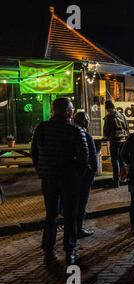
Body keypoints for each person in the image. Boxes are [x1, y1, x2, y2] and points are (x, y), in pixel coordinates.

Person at [31, 97, 88, 266]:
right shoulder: (74, 130)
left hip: (48, 178)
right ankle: (69, 250)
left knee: (51, 215)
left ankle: (48, 251)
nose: (72, 111)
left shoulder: (41, 128)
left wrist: (41, 170)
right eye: (71, 109)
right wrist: (77, 175)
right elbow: (84, 158)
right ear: (67, 111)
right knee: (70, 214)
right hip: (68, 178)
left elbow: (34, 152)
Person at [73, 111, 97, 239]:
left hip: (71, 175)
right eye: (87, 118)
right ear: (83, 121)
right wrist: (92, 172)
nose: (89, 121)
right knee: (81, 203)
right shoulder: (86, 135)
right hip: (84, 175)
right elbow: (92, 157)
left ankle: (72, 228)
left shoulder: (69, 134)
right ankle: (78, 229)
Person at [103, 100, 129, 188]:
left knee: (115, 161)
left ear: (108, 108)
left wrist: (106, 136)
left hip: (114, 140)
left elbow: (106, 130)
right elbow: (126, 126)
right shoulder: (121, 114)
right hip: (123, 140)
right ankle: (124, 178)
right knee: (122, 159)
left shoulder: (109, 116)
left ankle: (116, 181)